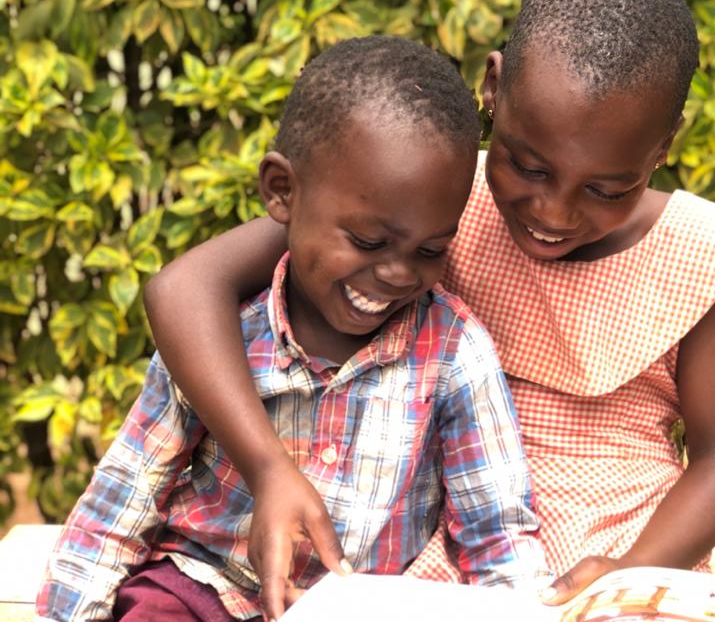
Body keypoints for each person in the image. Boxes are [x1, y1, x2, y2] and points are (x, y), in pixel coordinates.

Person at [143, 0, 715, 620]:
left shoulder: (697, 251)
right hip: (452, 548)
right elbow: (184, 289)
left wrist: (634, 568)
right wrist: (268, 465)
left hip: (633, 549)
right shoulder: (427, 203)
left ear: (663, 147)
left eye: (607, 189)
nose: (553, 213)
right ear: (493, 89)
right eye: (528, 166)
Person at [38, 37, 546, 622]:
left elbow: (497, 534)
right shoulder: (223, 336)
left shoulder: (455, 352)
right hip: (205, 586)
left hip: (356, 607)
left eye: (431, 248)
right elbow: (120, 504)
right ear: (282, 191)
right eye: (368, 241)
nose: (398, 272)